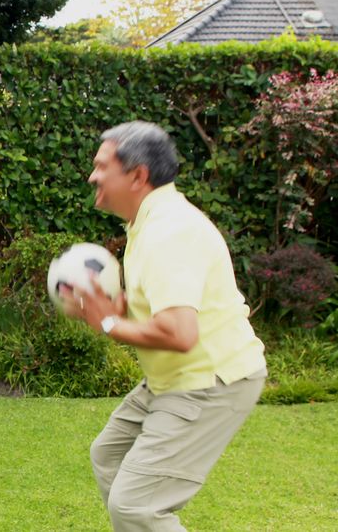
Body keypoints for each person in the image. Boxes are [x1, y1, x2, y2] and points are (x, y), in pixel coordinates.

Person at [66, 121, 267, 531]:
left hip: (210, 381)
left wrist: (106, 322)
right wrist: (117, 314)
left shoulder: (168, 231)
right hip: (172, 379)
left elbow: (179, 332)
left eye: (102, 166)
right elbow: (164, 314)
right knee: (110, 456)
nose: (92, 176)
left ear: (137, 175)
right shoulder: (149, 223)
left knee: (137, 507)